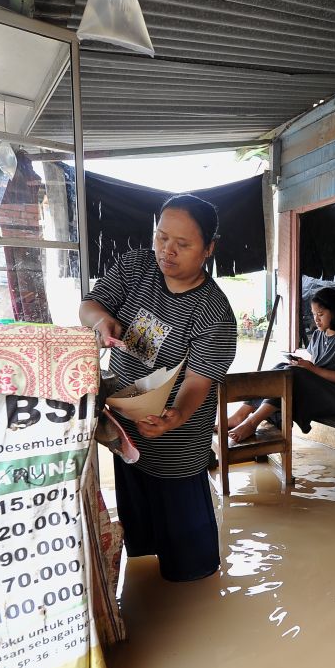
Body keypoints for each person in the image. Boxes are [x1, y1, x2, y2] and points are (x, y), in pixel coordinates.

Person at [79, 194, 237, 582]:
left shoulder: (213, 311)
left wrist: (175, 417)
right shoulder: (136, 268)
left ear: (209, 249)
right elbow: (90, 304)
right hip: (125, 427)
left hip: (176, 439)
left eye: (182, 245)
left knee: (189, 560)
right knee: (142, 535)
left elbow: (199, 380)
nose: (167, 251)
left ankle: (193, 593)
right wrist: (100, 322)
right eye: (162, 237)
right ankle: (148, 578)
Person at [226, 288, 335, 441]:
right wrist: (301, 364)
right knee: (281, 369)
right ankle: (240, 415)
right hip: (316, 390)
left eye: (320, 314)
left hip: (333, 398)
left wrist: (311, 368)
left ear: (334, 312)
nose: (316, 319)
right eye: (314, 314)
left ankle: (251, 422)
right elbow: (313, 367)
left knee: (290, 373)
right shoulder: (317, 336)